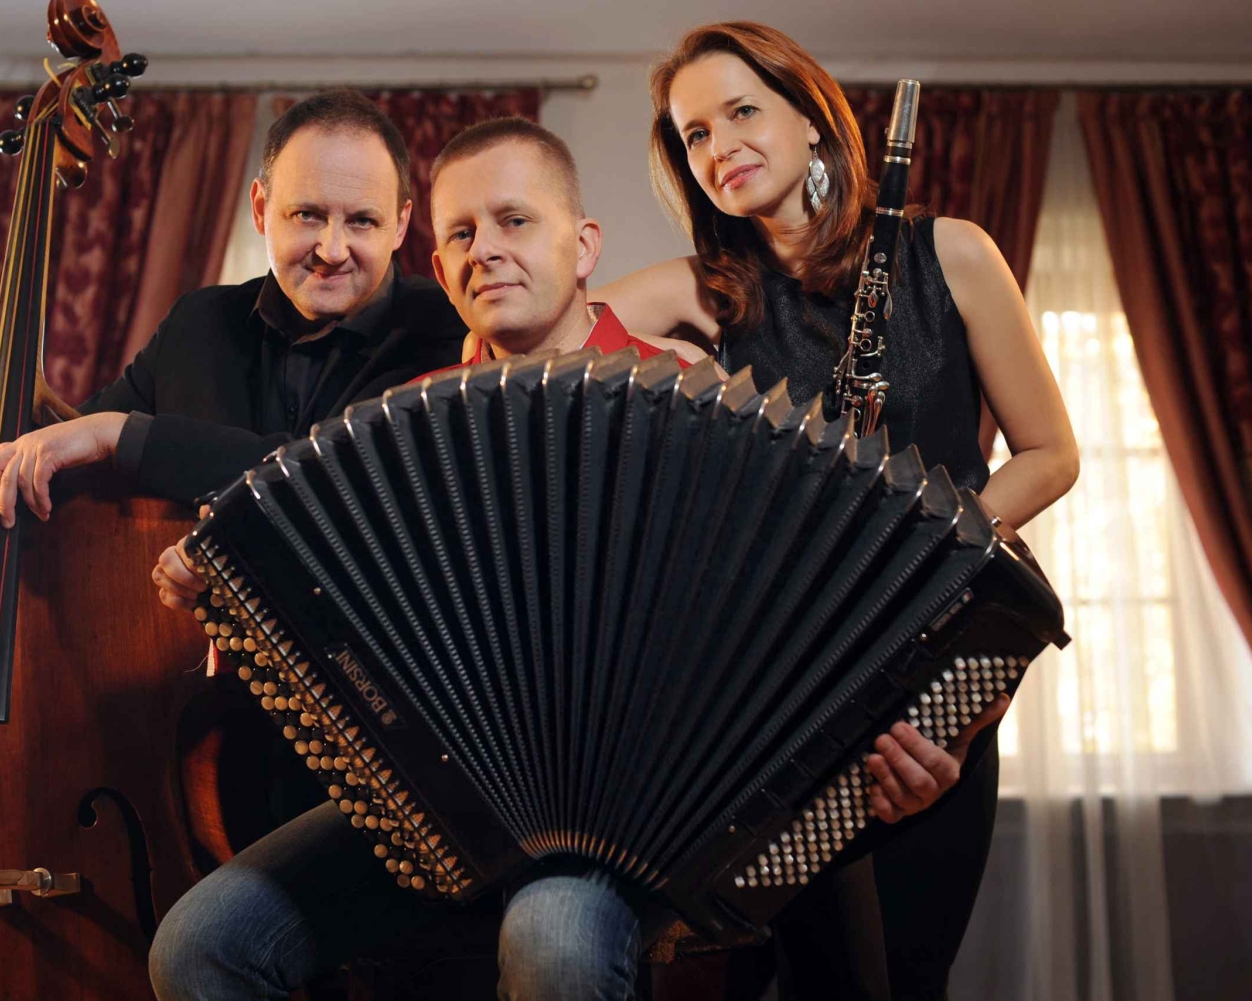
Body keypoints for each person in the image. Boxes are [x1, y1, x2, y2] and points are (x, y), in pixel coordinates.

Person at [148, 117, 988, 1001]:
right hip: (433, 803)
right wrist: (233, 583)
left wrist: (895, 738)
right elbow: (337, 617)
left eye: (515, 221)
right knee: (201, 944)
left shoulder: (690, 396)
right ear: (439, 268)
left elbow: (806, 604)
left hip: (635, 818)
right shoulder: (401, 423)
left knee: (553, 940)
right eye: (461, 233)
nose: (485, 249)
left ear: (583, 246)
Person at [595, 21, 1079, 998]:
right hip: (781, 690)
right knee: (764, 965)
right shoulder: (709, 293)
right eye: (695, 134)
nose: (720, 145)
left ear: (812, 119)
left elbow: (1050, 454)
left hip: (932, 660)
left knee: (898, 971)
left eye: (742, 111)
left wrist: (932, 549)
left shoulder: (950, 252)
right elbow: (551, 324)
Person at [0, 90, 467, 556]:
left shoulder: (448, 332)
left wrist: (120, 435)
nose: (332, 248)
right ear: (260, 209)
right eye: (307, 215)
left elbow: (332, 476)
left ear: (400, 226)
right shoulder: (198, 323)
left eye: (363, 221)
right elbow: (68, 441)